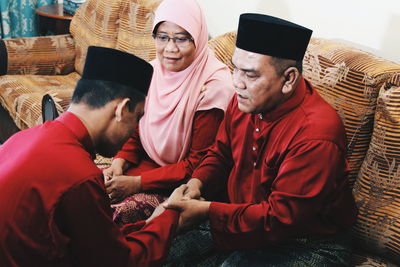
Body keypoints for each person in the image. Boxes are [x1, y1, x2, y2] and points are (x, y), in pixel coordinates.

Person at [164, 13, 358, 266]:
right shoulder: (245, 100)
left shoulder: (316, 135)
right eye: (235, 69)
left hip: (305, 242)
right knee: (160, 252)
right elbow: (221, 152)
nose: (236, 83)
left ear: (288, 79)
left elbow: (279, 219)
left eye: (250, 75)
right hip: (242, 217)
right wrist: (197, 183)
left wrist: (207, 210)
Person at [0, 46, 186, 266]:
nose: (134, 130)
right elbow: (120, 262)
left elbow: (93, 241)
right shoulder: (80, 176)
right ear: (122, 109)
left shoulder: (23, 138)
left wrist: (150, 224)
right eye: (137, 118)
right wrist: (170, 217)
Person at [104, 0, 234, 225]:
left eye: (182, 38)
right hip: (146, 166)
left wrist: (136, 183)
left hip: (183, 184)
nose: (170, 48)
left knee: (113, 215)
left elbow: (199, 163)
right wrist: (119, 162)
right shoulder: (152, 71)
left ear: (199, 38)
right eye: (162, 37)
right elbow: (139, 130)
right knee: (84, 191)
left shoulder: (214, 87)